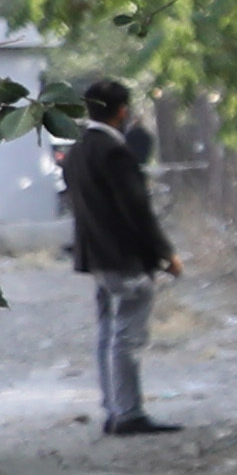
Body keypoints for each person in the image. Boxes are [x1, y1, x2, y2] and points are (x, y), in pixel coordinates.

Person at [52, 75, 170, 433]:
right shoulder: (115, 152)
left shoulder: (78, 151)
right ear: (123, 112)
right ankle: (128, 413)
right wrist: (163, 253)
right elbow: (136, 210)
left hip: (97, 255)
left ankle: (114, 407)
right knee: (127, 336)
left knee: (108, 331)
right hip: (122, 256)